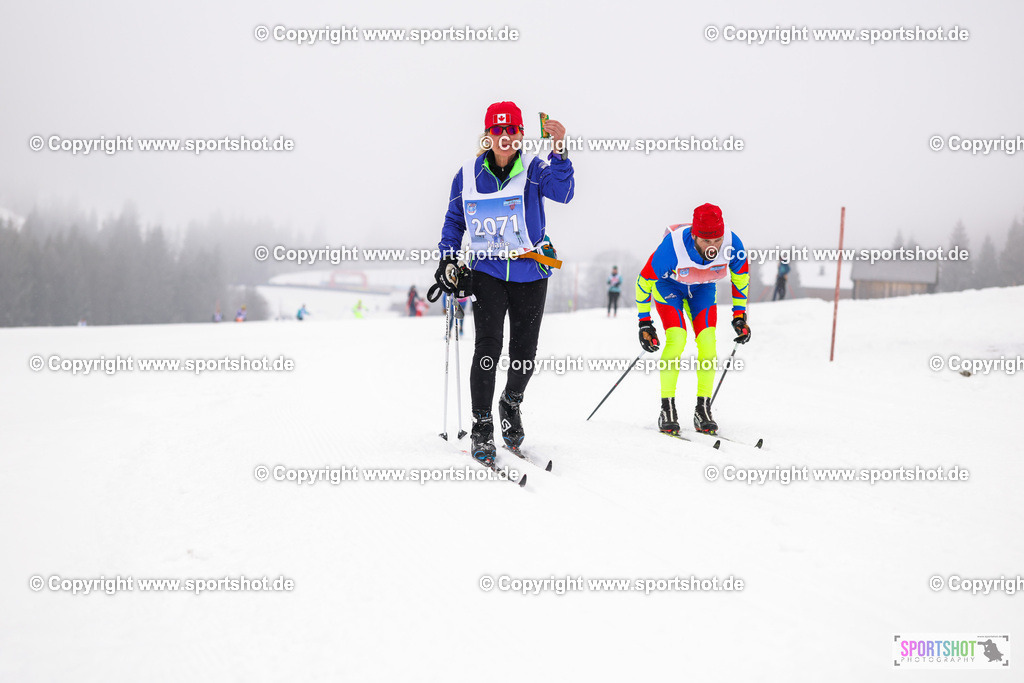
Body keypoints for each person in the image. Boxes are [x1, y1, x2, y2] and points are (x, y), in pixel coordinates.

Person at [434, 100, 574, 465]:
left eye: (512, 130)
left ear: (521, 134)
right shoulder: (466, 174)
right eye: (497, 131)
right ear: (487, 136)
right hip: (488, 271)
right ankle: (482, 426)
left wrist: (559, 153)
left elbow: (564, 192)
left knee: (524, 353)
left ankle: (510, 403)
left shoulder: (533, 168)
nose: (505, 138)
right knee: (488, 346)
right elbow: (454, 219)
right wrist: (448, 257)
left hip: (530, 270)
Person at [635, 203, 751, 435]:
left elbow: (741, 278)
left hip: (702, 289)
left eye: (717, 240)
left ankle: (703, 408)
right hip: (670, 287)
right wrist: (644, 322)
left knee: (708, 342)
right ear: (694, 235)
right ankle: (667, 408)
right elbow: (644, 281)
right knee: (677, 338)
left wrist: (739, 315)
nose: (713, 247)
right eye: (706, 241)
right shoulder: (673, 247)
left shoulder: (732, 244)